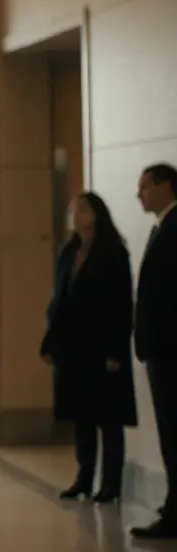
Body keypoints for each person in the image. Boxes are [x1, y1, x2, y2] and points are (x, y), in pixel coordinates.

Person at [39, 192, 137, 503]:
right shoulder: (69, 251)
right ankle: (84, 477)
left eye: (81, 209)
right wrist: (50, 340)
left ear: (96, 214)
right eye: (72, 210)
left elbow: (122, 306)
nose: (75, 215)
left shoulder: (113, 252)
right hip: (74, 348)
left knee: (107, 418)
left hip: (102, 347)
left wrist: (116, 352)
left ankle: (111, 483)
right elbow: (59, 301)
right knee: (82, 415)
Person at [132, 162, 177, 540]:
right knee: (169, 430)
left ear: (165, 187)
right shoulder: (162, 227)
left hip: (170, 351)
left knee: (174, 430)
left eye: (145, 186)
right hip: (160, 349)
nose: (139, 193)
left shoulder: (174, 229)